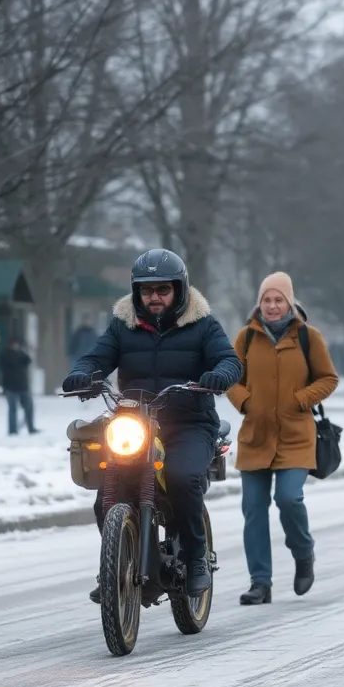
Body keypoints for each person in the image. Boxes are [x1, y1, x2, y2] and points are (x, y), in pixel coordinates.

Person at [63, 248, 241, 602]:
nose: (154, 297)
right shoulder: (123, 325)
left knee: (182, 479)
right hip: (135, 419)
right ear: (136, 292)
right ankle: (116, 565)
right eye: (147, 291)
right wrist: (82, 374)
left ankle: (195, 559)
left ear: (179, 290)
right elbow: (98, 356)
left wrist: (219, 375)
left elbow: (229, 359)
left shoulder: (202, 324)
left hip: (188, 422)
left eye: (162, 290)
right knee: (106, 494)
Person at [226, 272, 338, 606]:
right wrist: (245, 401)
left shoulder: (308, 337)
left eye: (278, 300)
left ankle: (304, 554)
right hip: (256, 437)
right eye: (267, 300)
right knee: (253, 509)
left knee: (289, 499)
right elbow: (230, 377)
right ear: (259, 303)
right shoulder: (246, 337)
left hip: (295, 436)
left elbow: (328, 378)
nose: (272, 306)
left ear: (289, 302)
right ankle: (260, 582)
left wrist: (302, 399)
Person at [0, 337, 37, 435]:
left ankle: (31, 427)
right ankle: (12, 430)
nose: (16, 346)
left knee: (29, 407)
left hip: (22, 386)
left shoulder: (20, 354)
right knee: (13, 409)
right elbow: (7, 366)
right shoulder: (5, 355)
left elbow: (27, 361)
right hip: (10, 386)